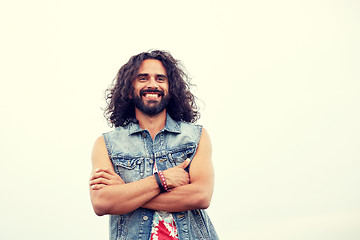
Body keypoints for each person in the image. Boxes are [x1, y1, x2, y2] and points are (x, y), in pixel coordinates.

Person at [89, 50, 219, 240]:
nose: (152, 84)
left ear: (170, 87)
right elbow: (102, 202)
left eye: (160, 78)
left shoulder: (195, 137)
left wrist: (126, 192)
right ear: (129, 89)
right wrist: (162, 180)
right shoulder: (106, 144)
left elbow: (201, 195)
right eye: (143, 78)